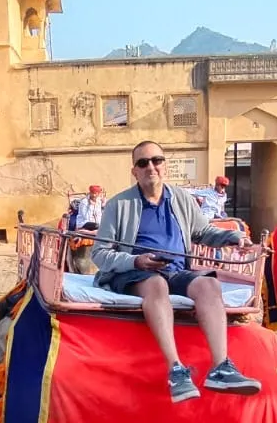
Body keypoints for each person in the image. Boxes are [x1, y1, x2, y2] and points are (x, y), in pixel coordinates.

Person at [91, 141, 261, 403]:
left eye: (156, 160)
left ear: (165, 166)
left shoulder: (181, 199)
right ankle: (176, 370)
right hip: (136, 272)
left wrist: (233, 237)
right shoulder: (118, 205)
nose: (151, 167)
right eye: (143, 163)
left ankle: (221, 367)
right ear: (134, 171)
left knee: (209, 285)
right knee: (156, 285)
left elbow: (203, 232)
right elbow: (100, 253)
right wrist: (136, 261)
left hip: (177, 268)